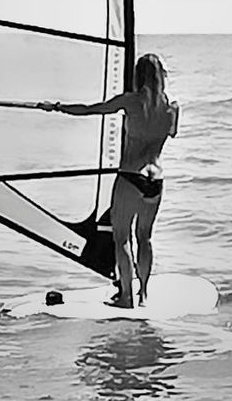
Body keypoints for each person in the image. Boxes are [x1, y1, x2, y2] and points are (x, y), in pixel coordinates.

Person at [38, 53, 179, 308]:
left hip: (131, 176)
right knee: (145, 238)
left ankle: (126, 298)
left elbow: (92, 109)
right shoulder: (172, 109)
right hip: (156, 179)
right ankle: (143, 294)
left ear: (138, 76)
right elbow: (172, 132)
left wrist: (57, 107)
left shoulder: (130, 101)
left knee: (122, 238)